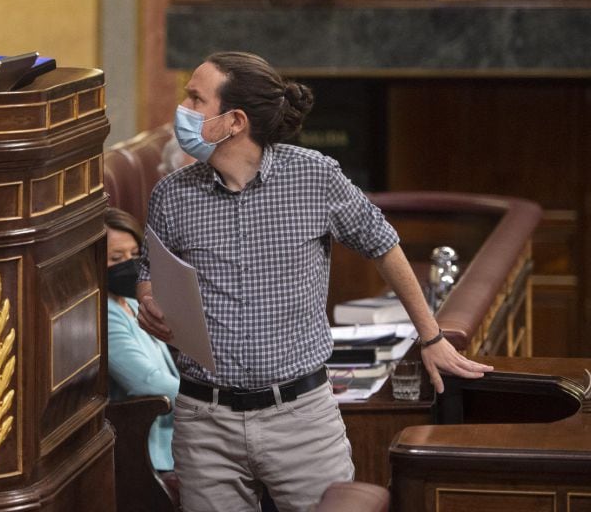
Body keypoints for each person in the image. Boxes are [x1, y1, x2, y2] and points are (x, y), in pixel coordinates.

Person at [135, 51, 492, 512]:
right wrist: (149, 302)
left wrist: (431, 336)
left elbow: (384, 244)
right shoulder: (171, 193)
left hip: (301, 418)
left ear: (234, 121)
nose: (181, 109)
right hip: (205, 420)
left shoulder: (315, 175)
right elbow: (149, 272)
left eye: (195, 98)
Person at [105, 207, 180, 474]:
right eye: (116, 258)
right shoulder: (105, 315)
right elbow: (147, 382)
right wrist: (206, 397)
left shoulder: (133, 302)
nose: (129, 264)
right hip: (151, 444)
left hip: (178, 431)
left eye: (135, 255)